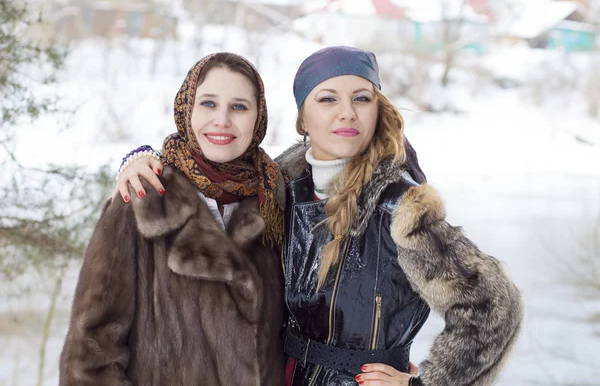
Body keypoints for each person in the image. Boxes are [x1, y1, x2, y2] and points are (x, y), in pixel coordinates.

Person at [115, 46, 523, 386]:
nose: (346, 112)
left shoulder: (402, 210)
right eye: (327, 98)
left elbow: (493, 307)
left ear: (377, 111)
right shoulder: (278, 193)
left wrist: (426, 383)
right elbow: (212, 171)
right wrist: (143, 159)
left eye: (361, 98)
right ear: (302, 119)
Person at [59, 52, 286, 385]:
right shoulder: (141, 195)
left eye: (239, 107)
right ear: (187, 108)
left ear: (258, 117)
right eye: (208, 104)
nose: (222, 120)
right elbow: (91, 350)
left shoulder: (275, 201)